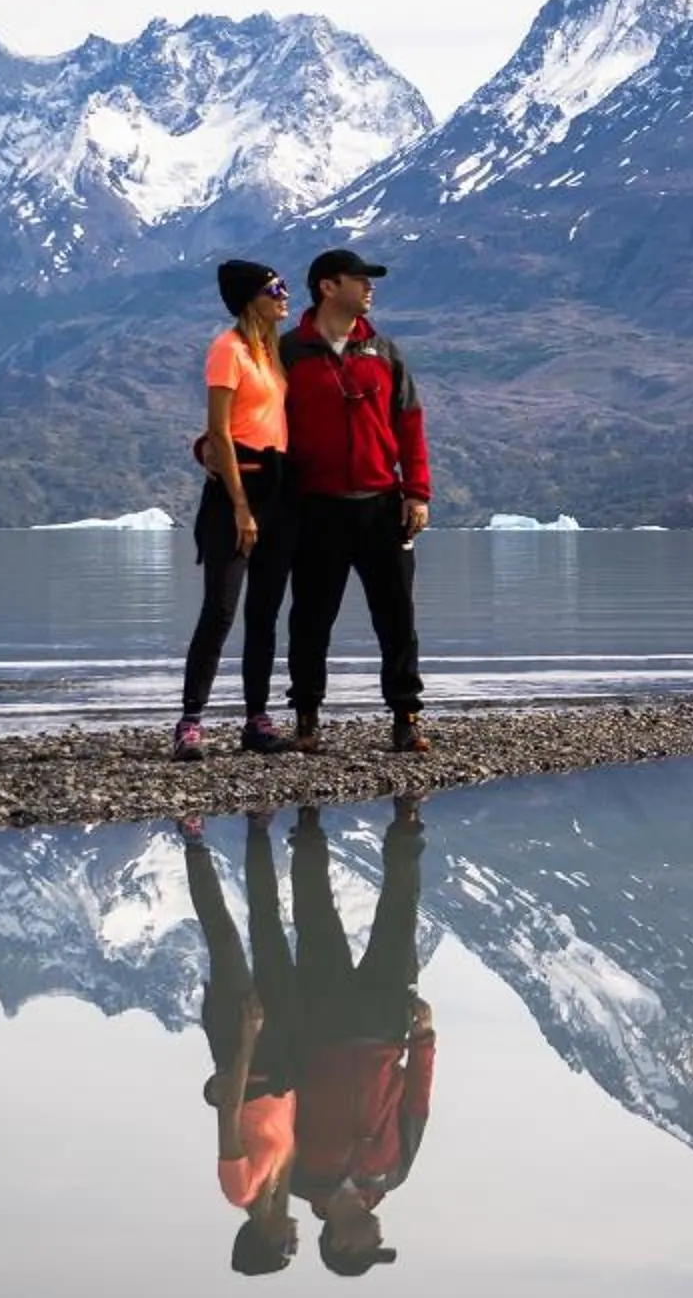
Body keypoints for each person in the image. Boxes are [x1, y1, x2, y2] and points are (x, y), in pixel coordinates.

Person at [279, 247, 433, 755]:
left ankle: (406, 718)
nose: (370, 287)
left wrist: (416, 492)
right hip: (315, 507)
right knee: (310, 618)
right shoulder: (290, 352)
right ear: (328, 286)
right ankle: (306, 719)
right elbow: (259, 420)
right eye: (360, 279)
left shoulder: (384, 351)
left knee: (397, 618)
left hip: (381, 505)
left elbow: (409, 422)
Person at [290, 797, 434, 1276]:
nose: (379, 1237)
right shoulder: (394, 1175)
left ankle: (307, 824)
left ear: (341, 1244)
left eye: (369, 1247)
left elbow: (285, 1100)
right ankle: (407, 821)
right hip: (384, 1027)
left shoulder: (299, 1177)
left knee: (314, 917)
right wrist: (425, 1039)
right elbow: (415, 1105)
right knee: (400, 911)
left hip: (323, 1026)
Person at [173, 259, 297, 759]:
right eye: (276, 288)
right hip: (236, 490)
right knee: (220, 610)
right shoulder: (228, 349)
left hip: (278, 492)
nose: (286, 295)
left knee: (264, 612)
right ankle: (189, 723)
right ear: (252, 298)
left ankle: (257, 720)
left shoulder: (270, 352)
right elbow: (220, 431)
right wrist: (240, 507)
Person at [179, 811, 303, 1276]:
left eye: (285, 1250)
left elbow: (230, 1110)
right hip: (279, 1057)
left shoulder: (241, 1190)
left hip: (242, 1046)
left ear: (262, 1240)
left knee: (225, 938)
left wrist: (248, 1039)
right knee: (267, 930)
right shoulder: (278, 1188)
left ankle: (193, 842)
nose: (295, 1242)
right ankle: (258, 829)